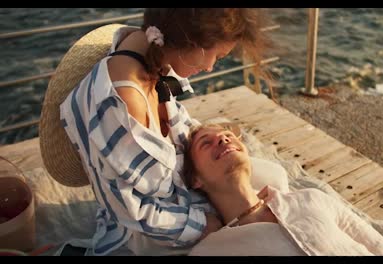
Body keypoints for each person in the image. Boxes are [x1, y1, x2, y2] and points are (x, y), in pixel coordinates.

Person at [52, 8, 281, 256]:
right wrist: (202, 225)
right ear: (192, 41)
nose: (210, 68)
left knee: (274, 177)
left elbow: (178, 129)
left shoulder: (145, 48)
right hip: (149, 231)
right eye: (217, 56)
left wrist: (212, 141)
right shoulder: (119, 108)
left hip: (183, 185)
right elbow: (130, 210)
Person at [183, 124, 383, 256]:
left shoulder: (310, 199)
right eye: (207, 143)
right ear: (195, 180)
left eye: (228, 136)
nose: (223, 140)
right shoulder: (212, 250)